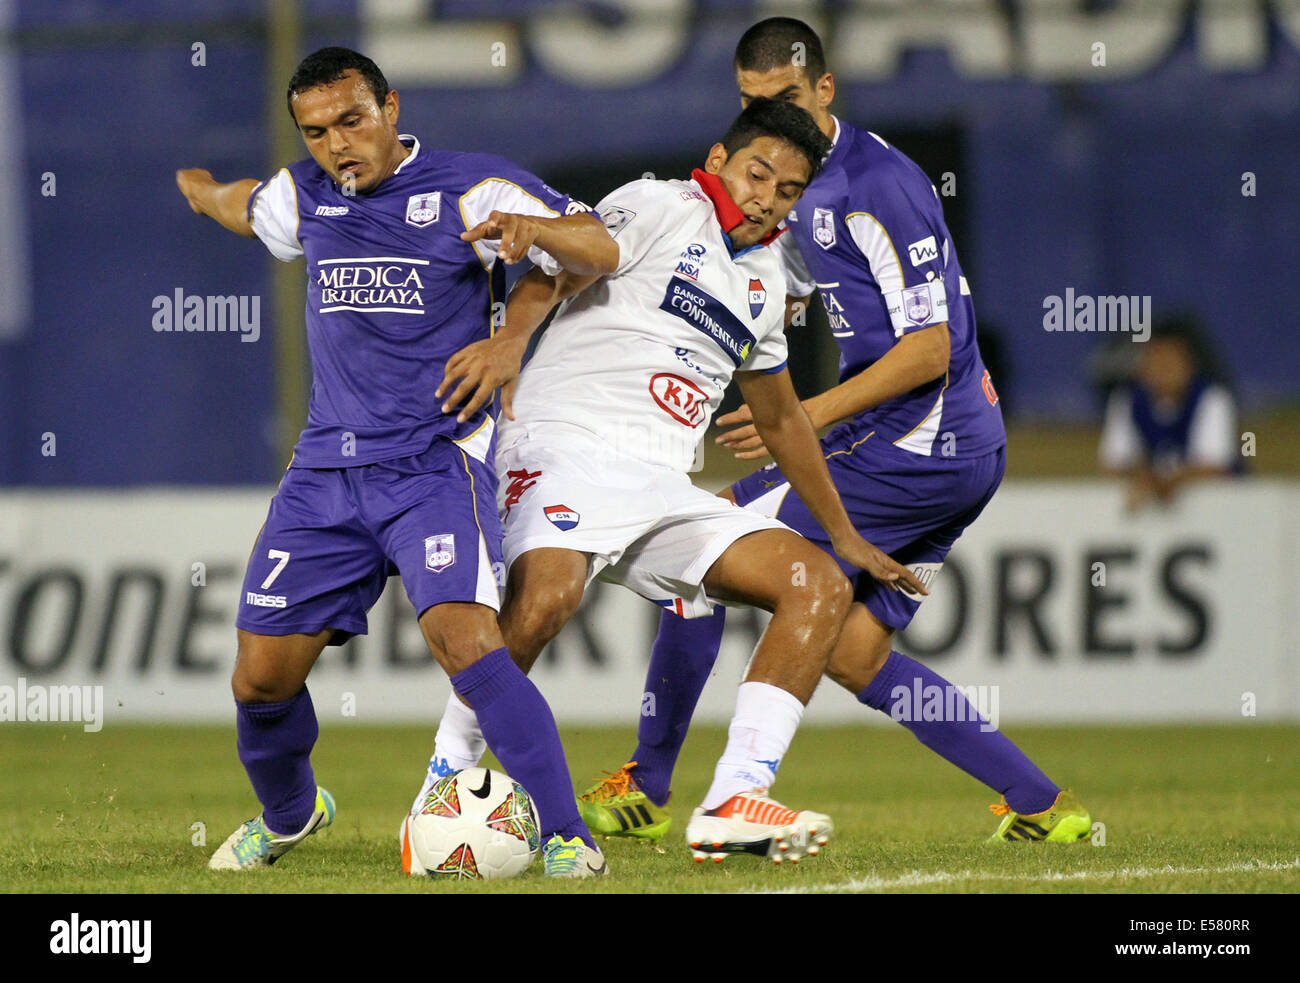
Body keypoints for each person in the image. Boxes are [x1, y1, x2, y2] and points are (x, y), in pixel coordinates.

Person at [574, 17, 1091, 846]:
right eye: (753, 103)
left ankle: (651, 784)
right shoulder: (791, 188)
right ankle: (1041, 802)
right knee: (853, 652)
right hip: (957, 451)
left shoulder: (878, 184)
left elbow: (929, 349)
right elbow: (793, 290)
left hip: (920, 440)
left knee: (699, 549)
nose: (773, 118)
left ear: (825, 88)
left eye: (786, 98)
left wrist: (803, 416)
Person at [408, 96, 928, 866]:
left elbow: (782, 419)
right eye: (757, 174)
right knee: (547, 597)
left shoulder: (766, 282)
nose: (767, 198)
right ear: (718, 161)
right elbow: (567, 264)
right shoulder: (662, 204)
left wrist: (844, 535)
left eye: (788, 190)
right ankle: (443, 780)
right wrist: (512, 338)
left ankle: (734, 797)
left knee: (817, 583)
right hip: (564, 441)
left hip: (661, 482)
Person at [175, 46, 620, 877]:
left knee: (468, 643)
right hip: (325, 474)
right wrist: (198, 190)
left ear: (390, 108)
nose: (336, 144)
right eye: (316, 132)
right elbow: (243, 205)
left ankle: (568, 836)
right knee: (259, 680)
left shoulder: (469, 187)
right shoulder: (304, 195)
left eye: (351, 120)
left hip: (432, 463)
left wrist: (533, 257)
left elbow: (599, 247)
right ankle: (291, 813)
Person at [1100, 317, 1241, 510]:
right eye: (1155, 359)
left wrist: (1161, 483)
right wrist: (1144, 478)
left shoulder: (1212, 398)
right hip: (1158, 507)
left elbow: (1215, 467)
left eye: (1170, 360)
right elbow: (1113, 465)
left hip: (1225, 508)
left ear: (1190, 364)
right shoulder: (1126, 400)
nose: (1162, 369)